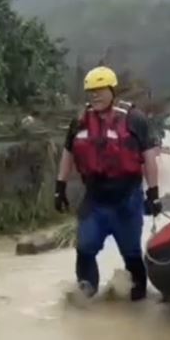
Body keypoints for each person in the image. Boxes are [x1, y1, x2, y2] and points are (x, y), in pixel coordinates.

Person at [54, 66, 162, 302]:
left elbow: (149, 158)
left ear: (112, 91)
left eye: (100, 90)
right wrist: (59, 187)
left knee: (131, 250)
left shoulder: (135, 119)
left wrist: (153, 194)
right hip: (95, 197)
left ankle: (138, 295)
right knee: (85, 246)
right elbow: (68, 153)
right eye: (91, 91)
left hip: (127, 197)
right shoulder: (80, 122)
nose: (95, 95)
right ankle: (86, 291)